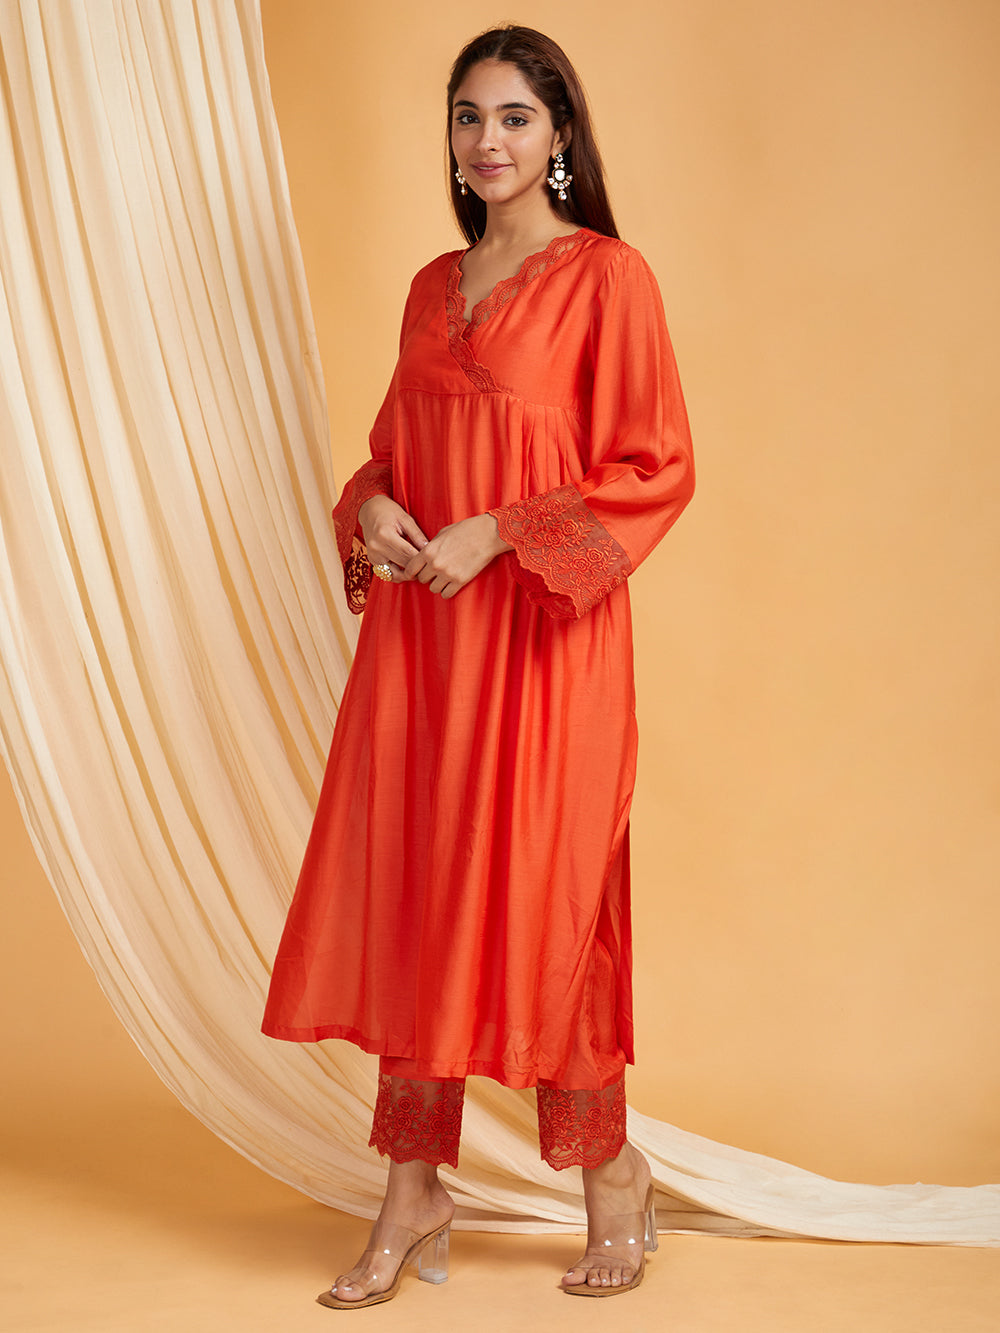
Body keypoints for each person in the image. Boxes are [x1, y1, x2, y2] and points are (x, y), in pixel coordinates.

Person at [262, 23, 694, 1307]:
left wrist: (497, 529)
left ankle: (610, 1173)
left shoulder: (607, 278)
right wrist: (371, 504)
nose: (486, 140)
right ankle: (413, 1190)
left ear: (559, 134)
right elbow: (394, 448)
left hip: (546, 640)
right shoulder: (427, 287)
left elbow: (654, 465)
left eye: (513, 116)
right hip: (425, 645)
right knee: (420, 887)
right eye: (467, 116)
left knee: (553, 892)